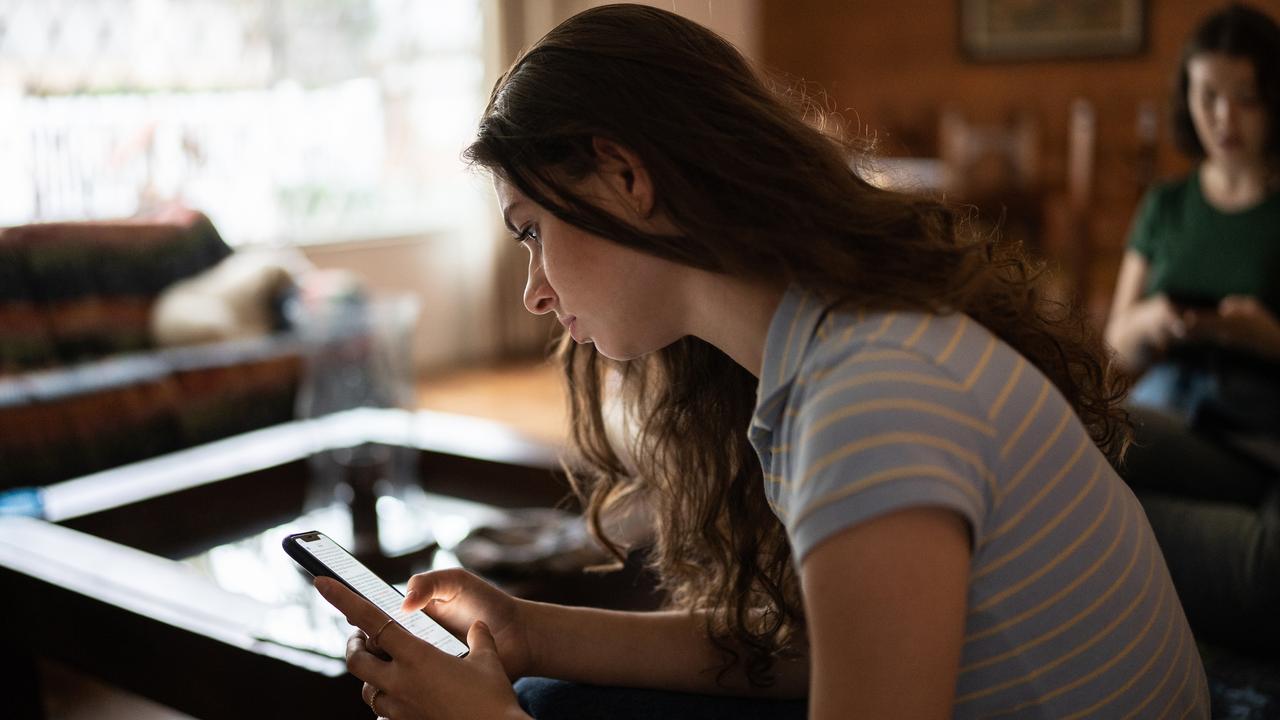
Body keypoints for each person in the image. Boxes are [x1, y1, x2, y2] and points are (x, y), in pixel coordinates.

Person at [315, 5, 1208, 718]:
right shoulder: (827, 341)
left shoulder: (870, 397)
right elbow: (819, 649)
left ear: (626, 176)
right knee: (552, 691)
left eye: (533, 232)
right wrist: (527, 630)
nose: (534, 293)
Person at [1103, 2, 1280, 655]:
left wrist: (1265, 338)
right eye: (1209, 97)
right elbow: (1114, 344)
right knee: (1093, 427)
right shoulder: (1168, 204)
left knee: (1099, 457)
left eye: (1247, 99)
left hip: (1257, 424)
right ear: (1188, 97)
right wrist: (1152, 321)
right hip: (1173, 404)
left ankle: (1110, 546)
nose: (1224, 119)